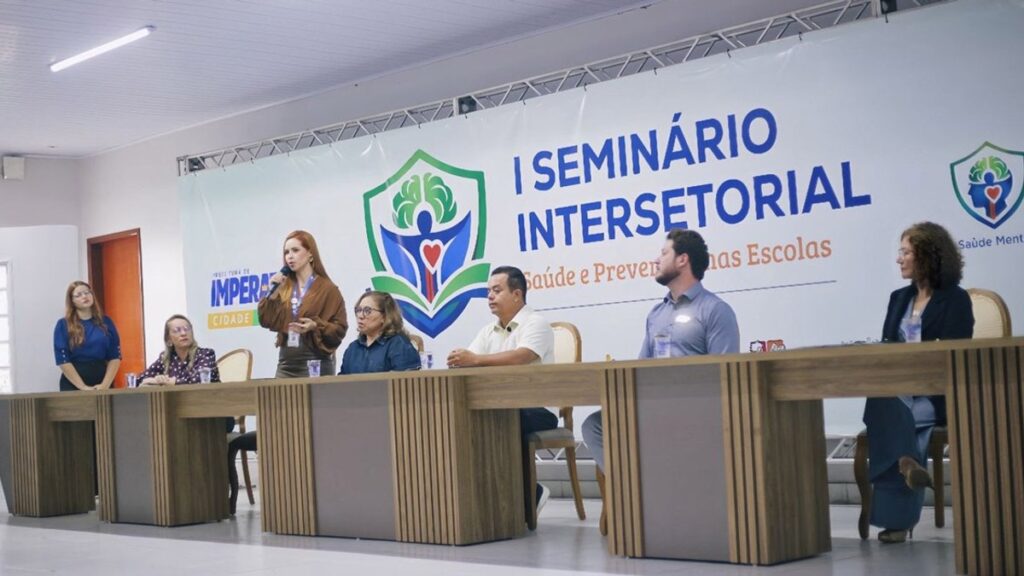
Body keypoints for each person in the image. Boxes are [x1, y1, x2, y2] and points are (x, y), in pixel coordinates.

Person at [581, 229, 740, 471]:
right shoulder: (656, 313)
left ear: (682, 259)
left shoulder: (715, 310)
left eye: (664, 253)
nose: (656, 260)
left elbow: (727, 375)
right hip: (653, 405)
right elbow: (642, 365)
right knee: (595, 424)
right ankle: (630, 488)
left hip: (694, 408)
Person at [865, 222, 973, 544]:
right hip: (897, 388)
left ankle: (896, 517)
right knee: (883, 401)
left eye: (906, 252)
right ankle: (907, 462)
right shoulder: (898, 298)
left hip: (934, 393)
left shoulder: (955, 299)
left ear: (927, 255)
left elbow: (957, 354)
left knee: (896, 418)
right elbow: (888, 343)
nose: (900, 259)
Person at [446, 265, 556, 522]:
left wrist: (474, 360)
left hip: (537, 410)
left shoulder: (536, 323)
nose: (490, 297)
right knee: (469, 421)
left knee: (503, 420)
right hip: (499, 406)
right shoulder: (487, 331)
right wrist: (461, 359)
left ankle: (530, 492)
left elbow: (522, 356)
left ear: (517, 294)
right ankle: (485, 499)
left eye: (497, 290)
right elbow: (469, 361)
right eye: (488, 292)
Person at [258, 230, 347, 377]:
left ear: (310, 254)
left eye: (295, 250)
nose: (290, 256)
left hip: (315, 362)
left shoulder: (328, 289)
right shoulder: (283, 286)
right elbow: (265, 320)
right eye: (286, 252)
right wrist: (272, 295)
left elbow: (339, 329)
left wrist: (315, 325)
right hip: (286, 363)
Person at [54, 281, 122, 391]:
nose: (84, 296)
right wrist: (82, 387)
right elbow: (63, 360)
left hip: (102, 378)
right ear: (72, 301)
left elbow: (115, 356)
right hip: (74, 381)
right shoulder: (63, 325)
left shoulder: (106, 322)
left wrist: (105, 385)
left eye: (87, 292)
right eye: (79, 295)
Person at [338, 291, 421, 374]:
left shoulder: (398, 344)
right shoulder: (353, 348)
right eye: (358, 310)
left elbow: (406, 382)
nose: (360, 316)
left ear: (384, 316)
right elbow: (341, 383)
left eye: (367, 311)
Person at [139, 315, 220, 386]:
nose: (183, 333)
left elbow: (198, 380)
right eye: (177, 330)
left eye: (187, 329)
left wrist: (169, 382)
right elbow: (139, 380)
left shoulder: (206, 354)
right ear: (168, 340)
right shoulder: (165, 359)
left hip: (207, 400)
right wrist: (158, 380)